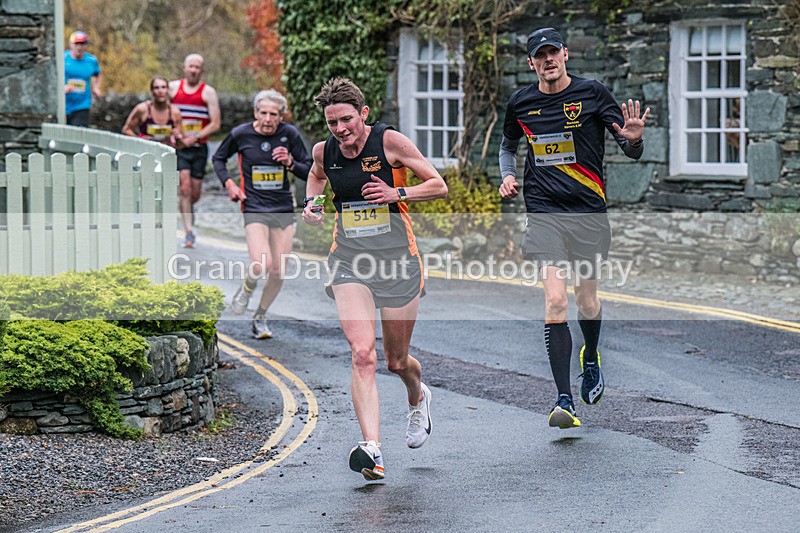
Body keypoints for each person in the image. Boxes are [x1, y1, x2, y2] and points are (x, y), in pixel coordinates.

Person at [498, 28, 649, 429]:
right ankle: (564, 399)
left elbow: (628, 145)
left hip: (589, 215)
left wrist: (634, 142)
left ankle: (592, 355)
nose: (547, 60)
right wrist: (507, 176)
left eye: (553, 52)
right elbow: (507, 144)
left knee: (586, 299)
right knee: (555, 302)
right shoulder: (521, 102)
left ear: (565, 55)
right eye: (539, 55)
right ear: (531, 63)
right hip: (545, 215)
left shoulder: (593, 94)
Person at [303, 77, 447, 481]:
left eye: (347, 120)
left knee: (396, 361)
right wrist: (312, 204)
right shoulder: (324, 151)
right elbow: (315, 176)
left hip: (399, 262)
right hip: (349, 262)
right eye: (333, 123)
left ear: (363, 114)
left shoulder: (389, 142)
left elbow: (438, 184)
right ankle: (373, 449)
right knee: (362, 353)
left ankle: (418, 397)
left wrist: (396, 195)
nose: (341, 130)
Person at [213, 89, 312, 339]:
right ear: (255, 112)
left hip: (281, 208)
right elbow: (218, 159)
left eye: (274, 114)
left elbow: (309, 169)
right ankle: (246, 290)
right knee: (261, 262)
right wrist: (230, 184)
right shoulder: (240, 134)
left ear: (281, 116)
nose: (268, 119)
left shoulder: (289, 134)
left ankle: (260, 316)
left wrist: (290, 162)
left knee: (278, 270)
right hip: (254, 206)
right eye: (263, 113)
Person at [170, 54, 221, 248]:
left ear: (202, 70)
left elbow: (216, 123)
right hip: (181, 147)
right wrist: (172, 133)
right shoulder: (173, 88)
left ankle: (189, 209)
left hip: (199, 147)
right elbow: (162, 113)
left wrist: (196, 136)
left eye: (197, 67)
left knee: (195, 192)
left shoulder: (208, 93)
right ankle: (188, 232)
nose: (193, 70)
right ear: (184, 68)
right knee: (184, 187)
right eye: (190, 66)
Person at [121, 76, 183, 147]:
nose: (160, 91)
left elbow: (180, 143)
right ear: (152, 91)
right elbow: (126, 130)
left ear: (168, 90)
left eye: (163, 87)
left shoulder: (175, 112)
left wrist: (178, 137)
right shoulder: (142, 109)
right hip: (145, 152)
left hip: (166, 153)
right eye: (156, 88)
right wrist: (139, 140)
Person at [64, 31, 102, 127]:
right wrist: (62, 88)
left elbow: (98, 74)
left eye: (82, 44)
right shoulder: (62, 58)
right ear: (71, 44)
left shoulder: (91, 60)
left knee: (78, 135)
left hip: (82, 105)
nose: (79, 47)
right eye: (77, 44)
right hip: (63, 105)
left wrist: (96, 87)